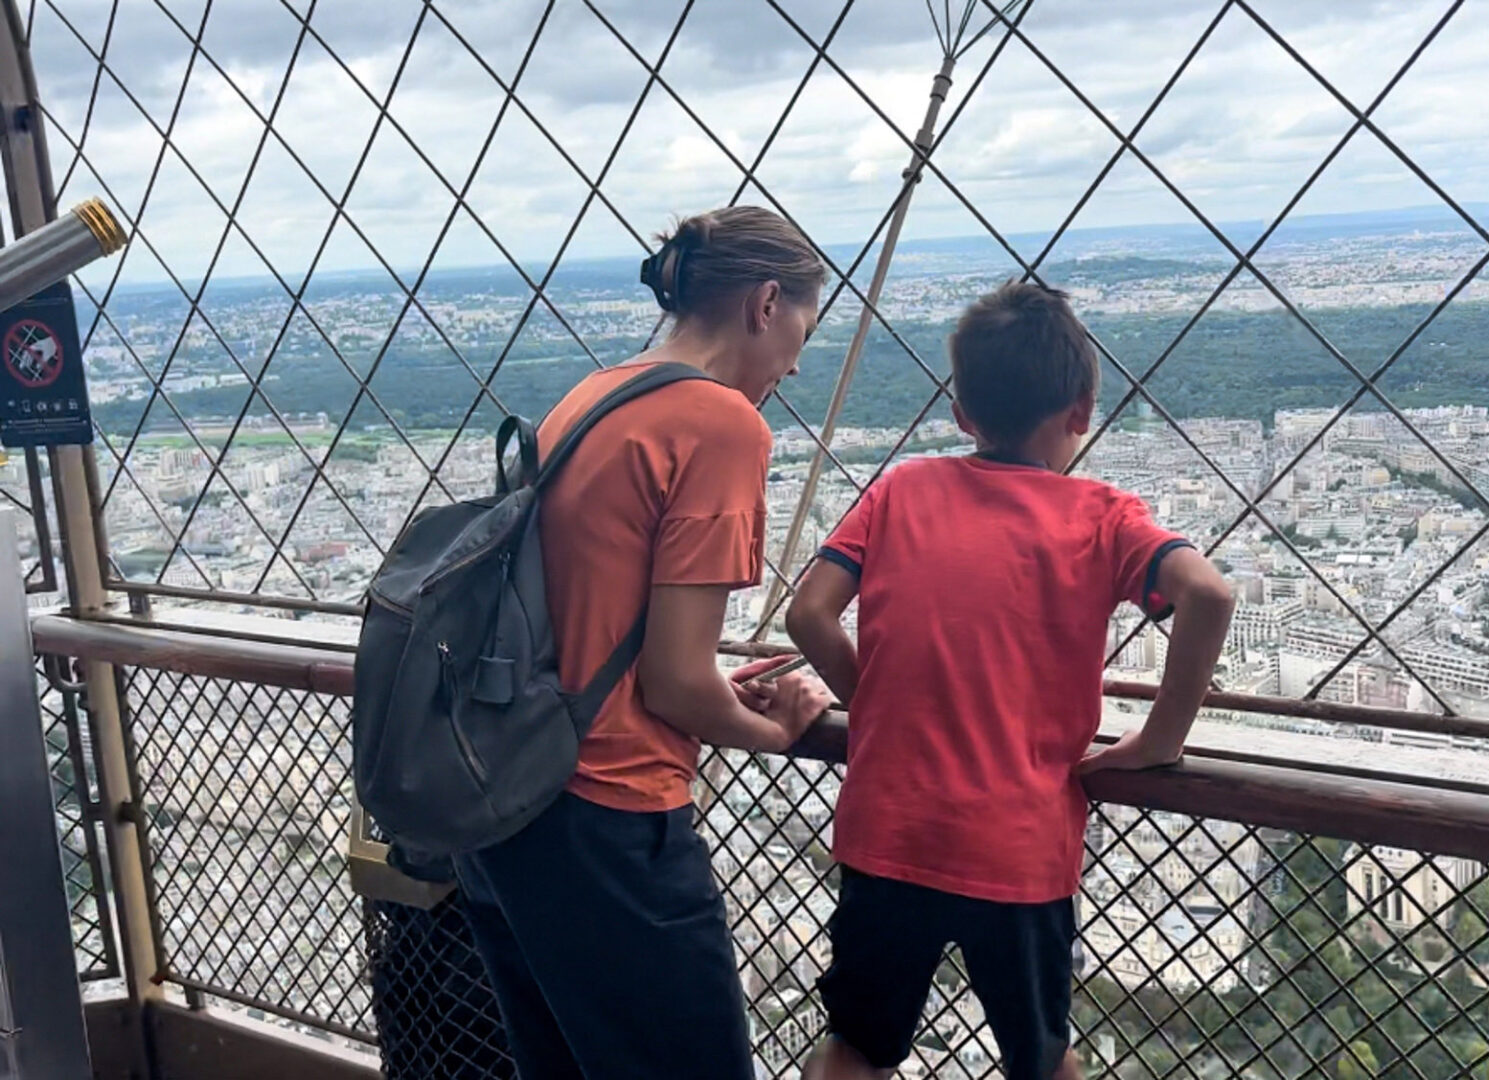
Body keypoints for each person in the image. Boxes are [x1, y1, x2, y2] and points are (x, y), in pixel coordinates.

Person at [787, 281, 1237, 1080]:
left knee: (857, 1045)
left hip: (888, 831)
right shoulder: (1103, 515)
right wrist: (1159, 739)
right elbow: (1209, 592)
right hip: (1019, 848)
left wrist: (874, 700)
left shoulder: (901, 488)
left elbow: (809, 616)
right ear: (1083, 409)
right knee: (1041, 1056)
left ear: (962, 414)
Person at [454, 206, 833, 1080]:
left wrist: (706, 683)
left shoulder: (598, 393)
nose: (799, 360)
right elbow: (671, 683)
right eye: (804, 329)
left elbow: (601, 625)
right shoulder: (724, 424)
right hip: (610, 816)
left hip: (508, 806)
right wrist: (775, 728)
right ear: (767, 303)